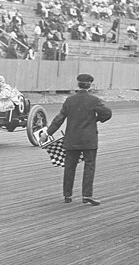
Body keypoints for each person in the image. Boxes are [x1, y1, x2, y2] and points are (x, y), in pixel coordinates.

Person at [40, 73, 112, 205]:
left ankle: (67, 195)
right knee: (89, 166)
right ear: (90, 85)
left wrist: (47, 133)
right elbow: (107, 113)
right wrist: (95, 120)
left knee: (69, 167)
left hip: (71, 139)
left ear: (78, 84)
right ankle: (87, 196)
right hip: (89, 139)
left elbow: (58, 119)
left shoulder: (69, 100)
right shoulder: (94, 100)